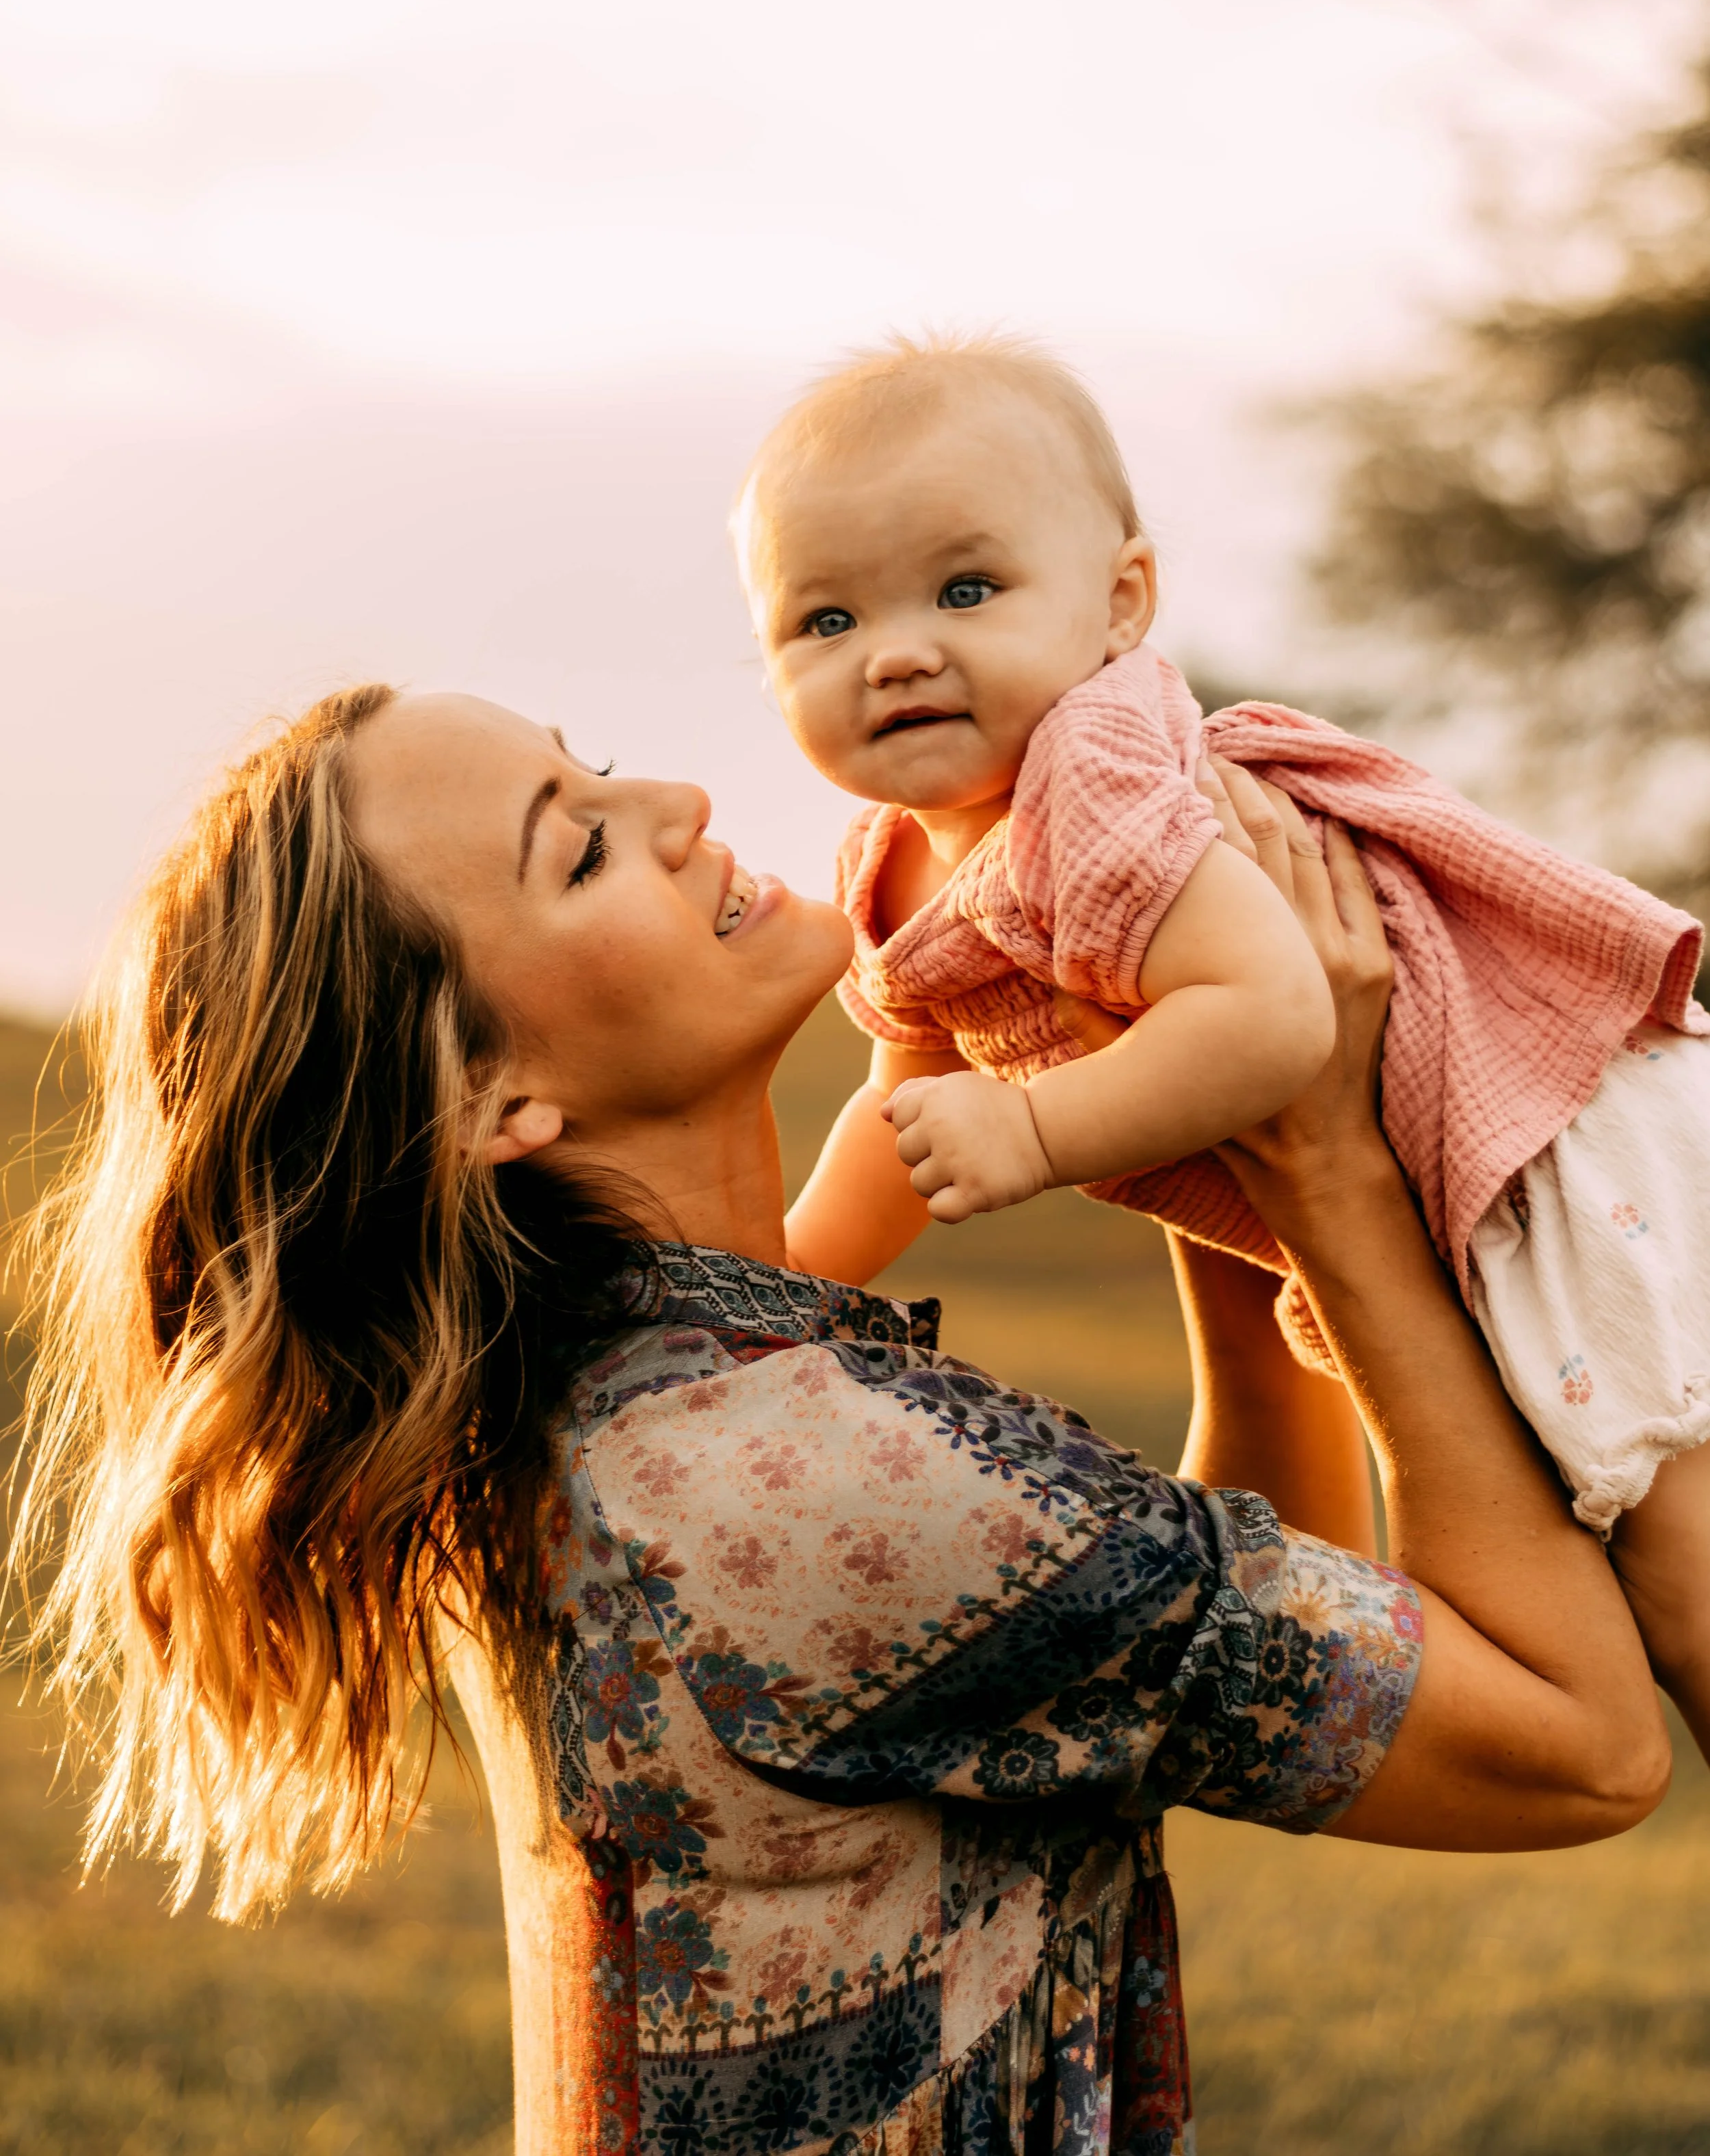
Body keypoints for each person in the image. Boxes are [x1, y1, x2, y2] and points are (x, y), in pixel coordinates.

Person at [19, 685, 1668, 2156]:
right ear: (490, 1100)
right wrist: (1333, 1171)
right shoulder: (800, 1477)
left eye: (599, 764)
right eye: (579, 850)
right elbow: (1574, 1752)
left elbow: (1202, 1636)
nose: (678, 811)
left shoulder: (603, 1418)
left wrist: (1210, 1117)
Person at [735, 330, 1710, 1754]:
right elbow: (904, 1096)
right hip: (1469, 1178)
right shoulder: (891, 856)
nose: (895, 652)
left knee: (1680, 1563)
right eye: (824, 621)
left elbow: (1266, 1019)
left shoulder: (1096, 775)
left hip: (1554, 1136)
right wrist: (790, 1274)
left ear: (1118, 602)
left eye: (965, 588)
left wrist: (1036, 1128)